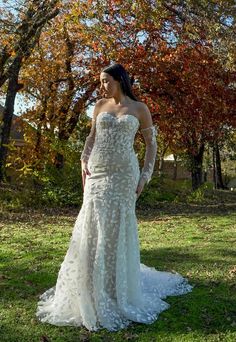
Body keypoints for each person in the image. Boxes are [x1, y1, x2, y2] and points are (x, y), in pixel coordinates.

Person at [36, 63, 192, 332]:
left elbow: (151, 146)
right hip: (97, 173)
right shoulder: (98, 106)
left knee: (115, 229)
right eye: (101, 81)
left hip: (124, 177)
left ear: (120, 79)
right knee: (92, 227)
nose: (102, 85)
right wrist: (84, 161)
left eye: (106, 80)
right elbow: (91, 139)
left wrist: (145, 177)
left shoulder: (140, 109)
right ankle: (89, 286)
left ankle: (114, 288)